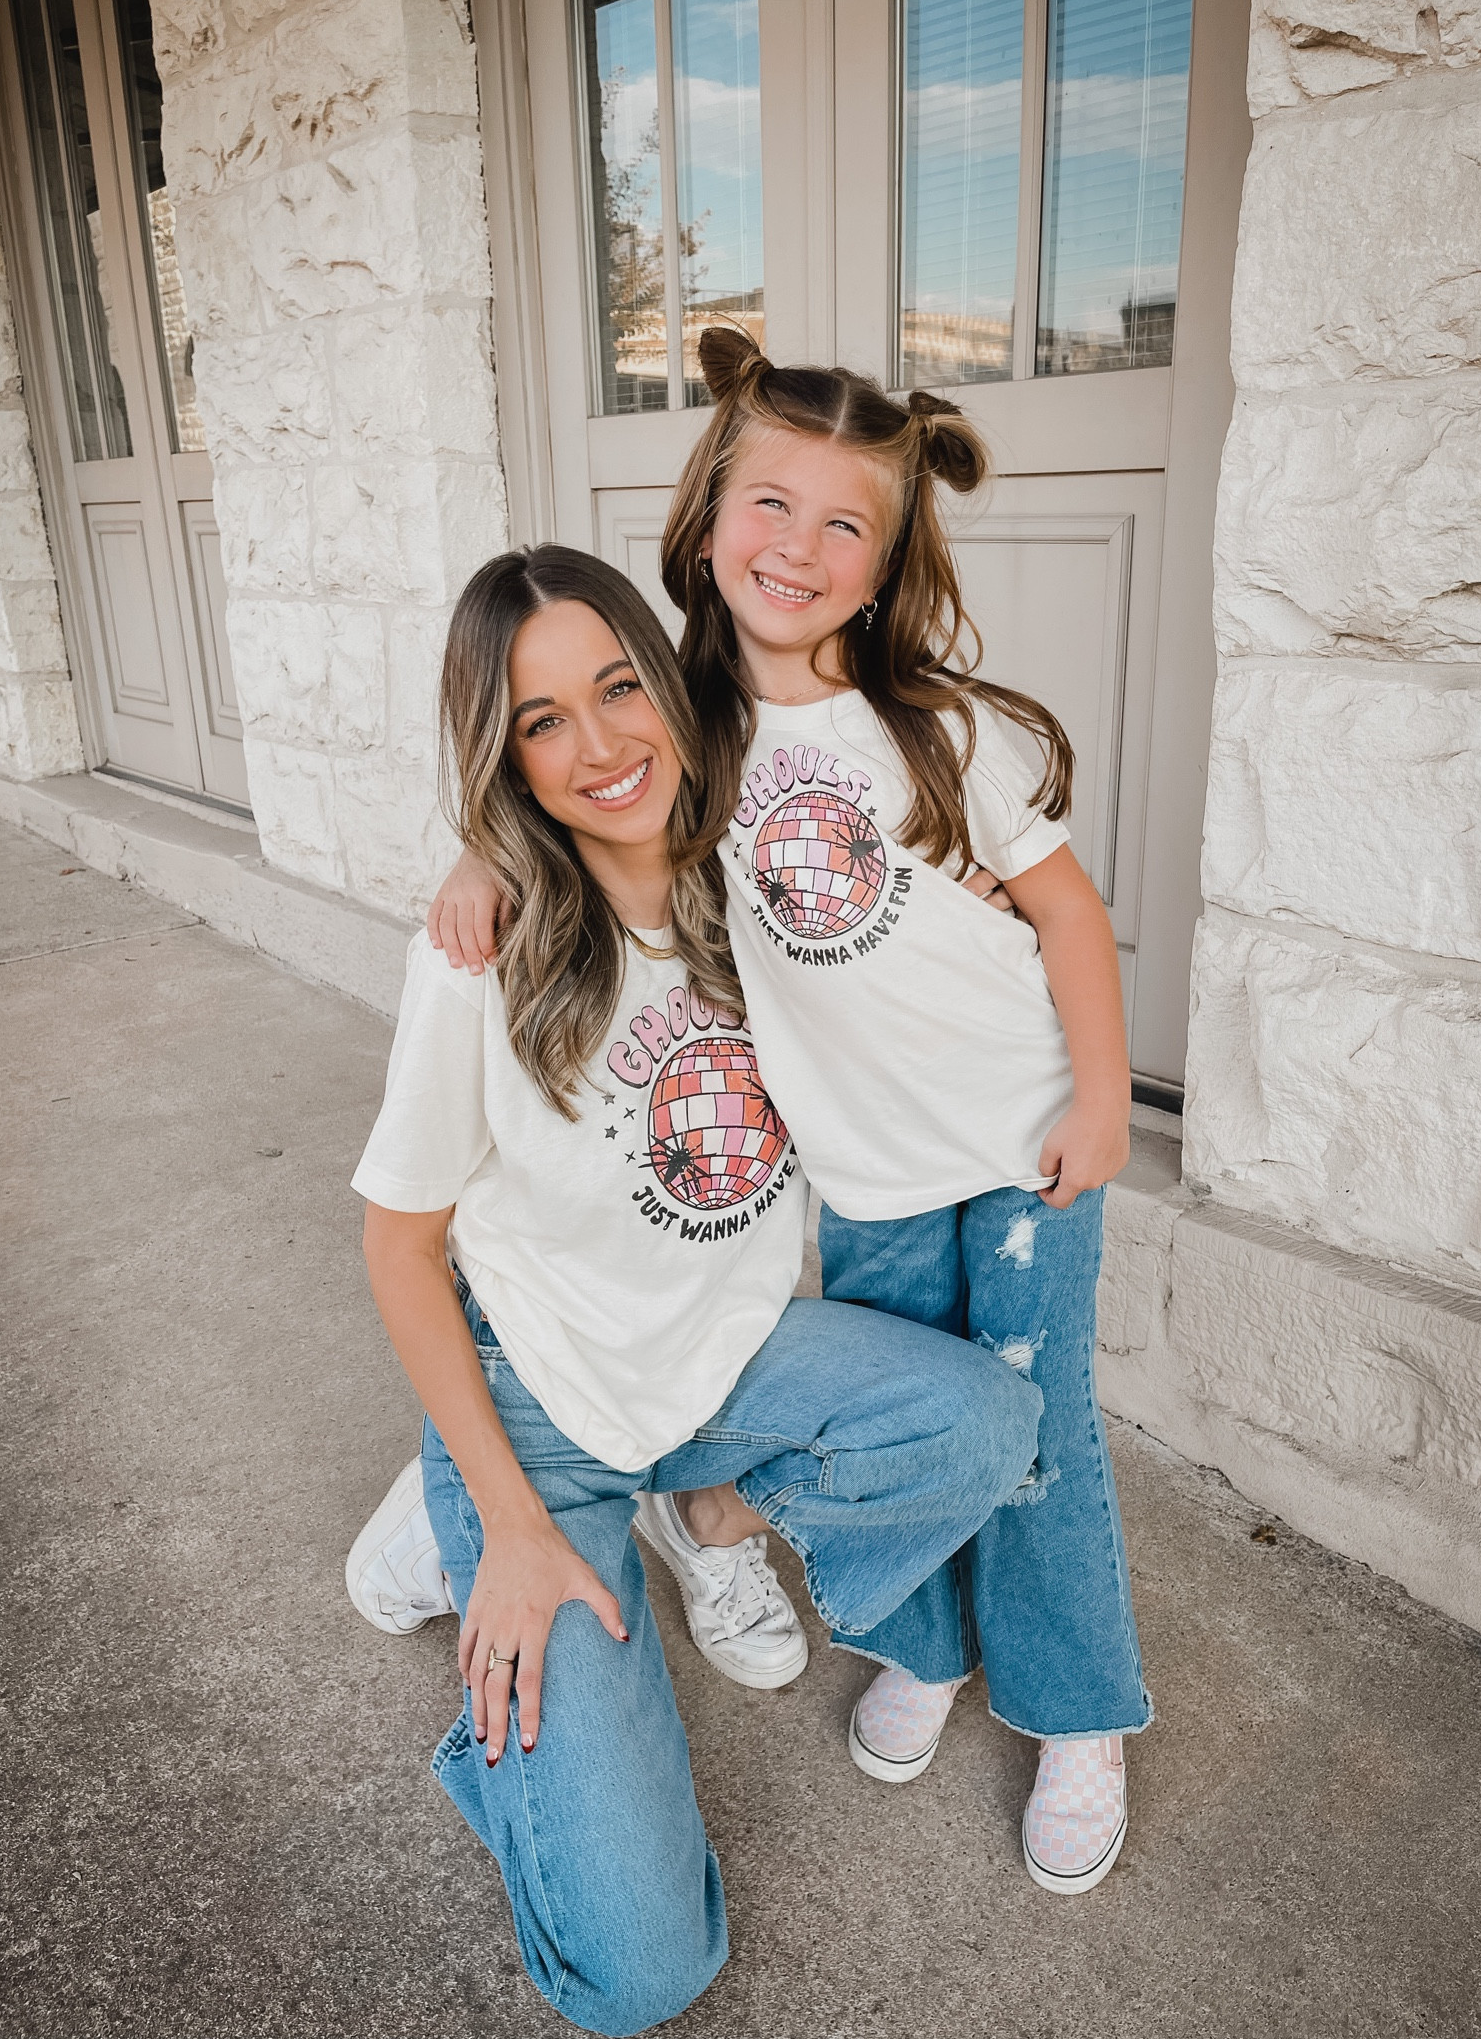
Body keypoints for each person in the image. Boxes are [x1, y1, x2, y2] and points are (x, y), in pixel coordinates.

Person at [421, 331, 1152, 1899]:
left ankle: (1079, 1713)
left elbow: (1072, 919)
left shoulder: (943, 729)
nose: (800, 549)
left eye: (846, 527)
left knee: (1042, 1435)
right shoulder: (676, 730)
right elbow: (563, 787)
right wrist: (479, 856)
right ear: (703, 523)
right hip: (870, 1182)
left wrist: (1105, 1097)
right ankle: (930, 1649)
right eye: (770, 504)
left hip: (1026, 1150)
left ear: (887, 565)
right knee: (930, 1427)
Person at [352, 542, 1045, 2034]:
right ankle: (463, 1524)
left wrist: (977, 897)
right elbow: (397, 1246)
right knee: (643, 1975)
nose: (599, 746)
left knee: (985, 1425)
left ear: (670, 687)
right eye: (542, 721)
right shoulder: (483, 952)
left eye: (616, 689)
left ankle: (701, 1513)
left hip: (724, 1366)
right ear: (502, 755)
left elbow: (912, 892)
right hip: (539, 1404)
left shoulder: (767, 890)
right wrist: (526, 1532)